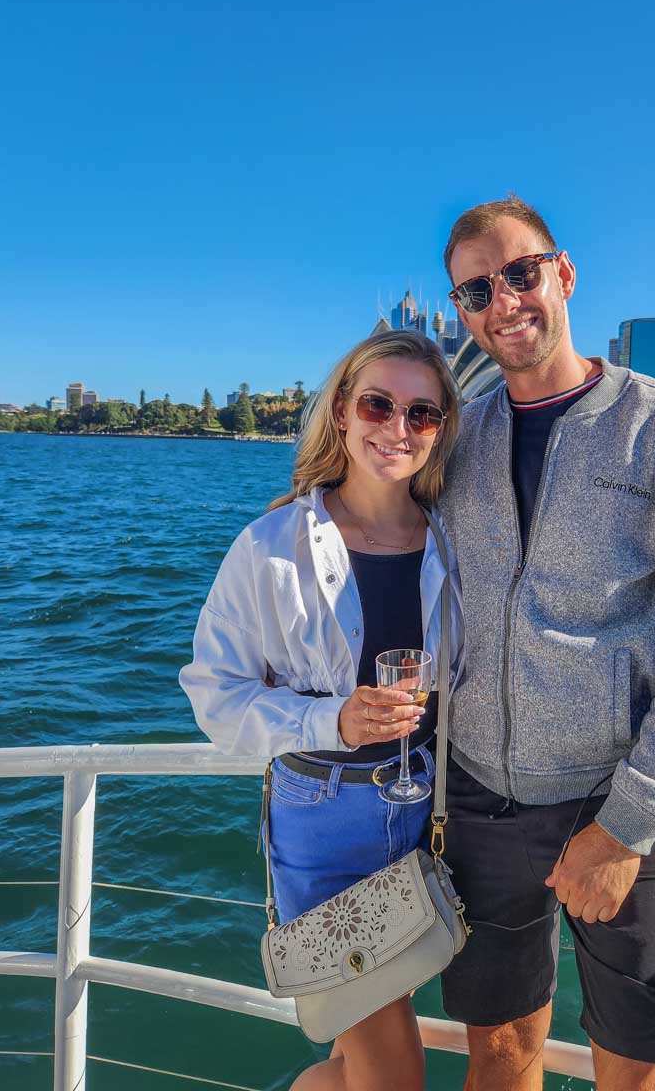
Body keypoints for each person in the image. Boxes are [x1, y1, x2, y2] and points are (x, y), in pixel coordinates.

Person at [436, 195, 655, 1091]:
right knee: (498, 1054)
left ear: (563, 274)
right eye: (476, 290)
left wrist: (625, 828)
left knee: (643, 1072)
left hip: (621, 810)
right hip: (481, 801)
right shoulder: (456, 438)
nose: (504, 301)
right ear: (461, 309)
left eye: (520, 273)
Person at [179, 330, 463, 1091]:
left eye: (422, 414)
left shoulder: (452, 546)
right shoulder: (270, 548)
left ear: (441, 431)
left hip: (424, 817)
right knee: (394, 1072)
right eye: (378, 404)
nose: (397, 428)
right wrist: (330, 721)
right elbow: (215, 695)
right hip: (322, 821)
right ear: (341, 412)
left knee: (354, 1062)